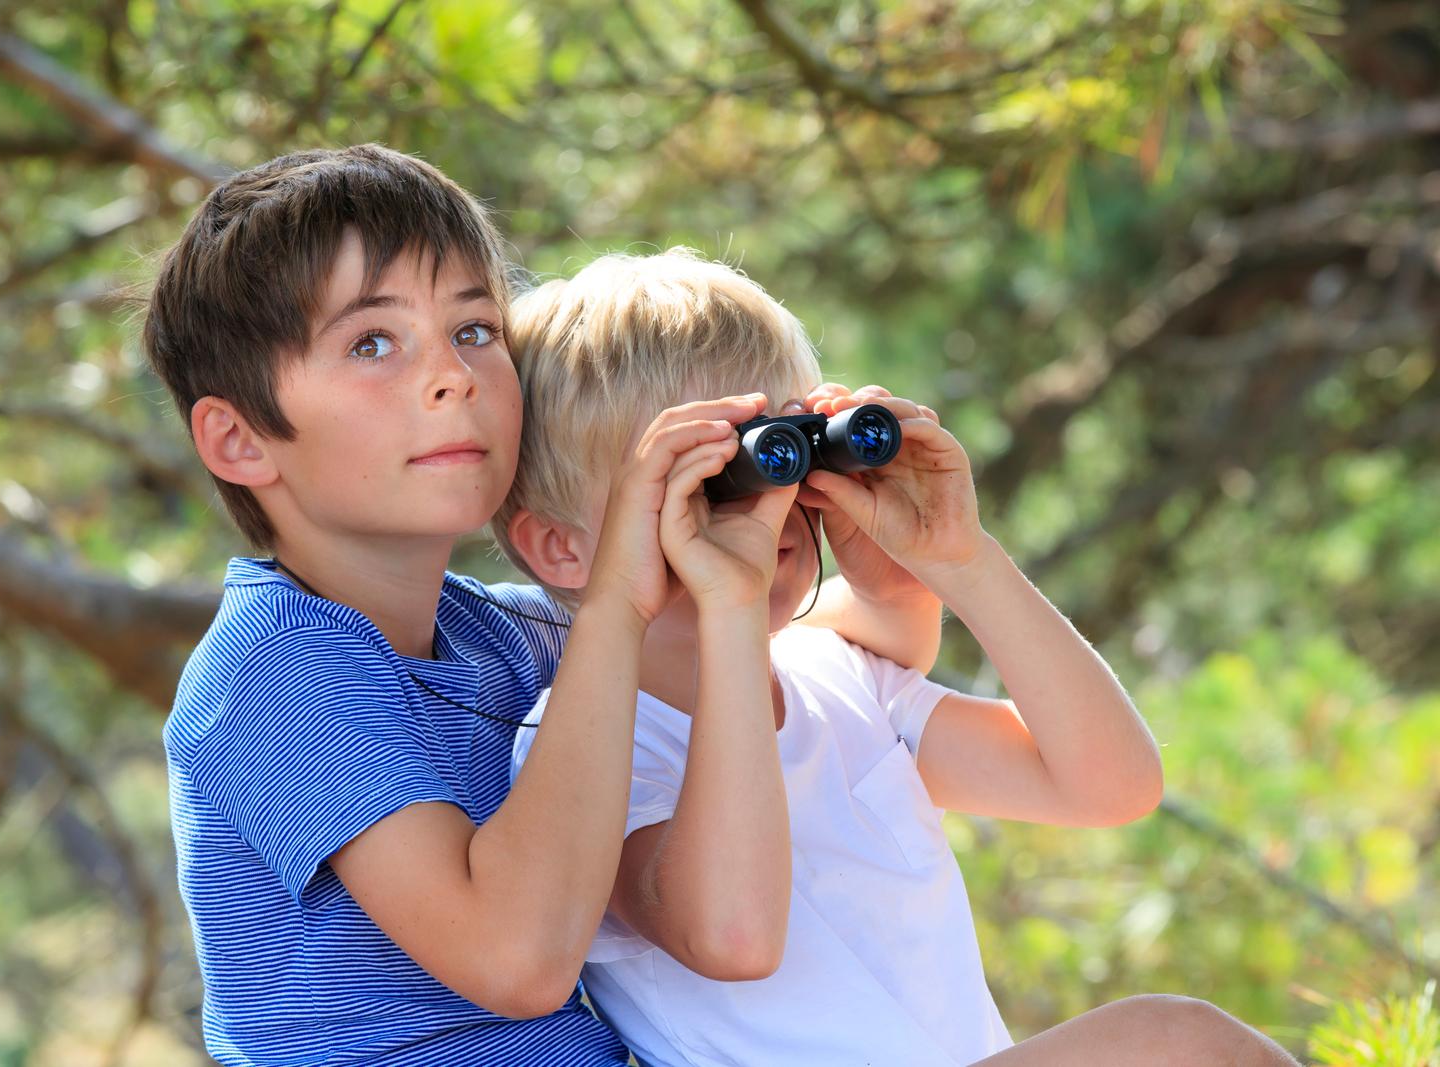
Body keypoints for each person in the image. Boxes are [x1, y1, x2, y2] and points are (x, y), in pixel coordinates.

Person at [142, 144, 942, 1065]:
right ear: (239, 440)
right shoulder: (270, 671)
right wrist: (614, 605)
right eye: (372, 343)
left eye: (476, 329)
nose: (454, 375)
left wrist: (887, 546)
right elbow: (516, 957)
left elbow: (824, 647)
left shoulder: (500, 635)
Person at [501, 248, 1300, 1066]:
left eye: (786, 454)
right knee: (1175, 1043)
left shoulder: (836, 681)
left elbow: (1113, 786)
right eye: (708, 477)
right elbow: (733, 935)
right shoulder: (580, 754)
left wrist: (958, 559)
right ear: (562, 548)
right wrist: (730, 609)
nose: (766, 511)